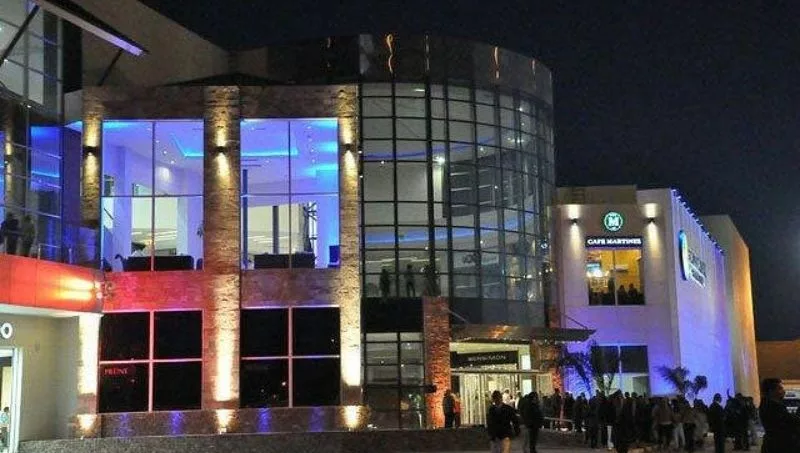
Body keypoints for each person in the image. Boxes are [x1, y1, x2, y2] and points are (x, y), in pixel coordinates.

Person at [759, 378, 800, 452]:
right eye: (780, 388)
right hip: (779, 446)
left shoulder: (769, 404)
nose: (784, 391)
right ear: (771, 391)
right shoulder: (772, 407)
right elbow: (790, 423)